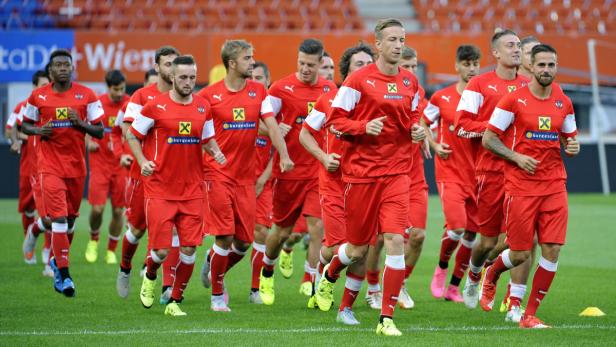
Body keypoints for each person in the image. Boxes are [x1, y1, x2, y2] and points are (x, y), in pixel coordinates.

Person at [315, 18, 426, 336]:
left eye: (402, 39)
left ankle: (386, 318)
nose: (398, 44)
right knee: (358, 249)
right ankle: (331, 272)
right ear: (378, 44)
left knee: (394, 239)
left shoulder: (410, 82)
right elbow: (335, 121)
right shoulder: (358, 81)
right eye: (392, 39)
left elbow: (414, 113)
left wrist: (417, 128)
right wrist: (363, 127)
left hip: (397, 174)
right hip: (361, 176)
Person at [480, 44, 579, 328]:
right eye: (542, 65)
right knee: (521, 252)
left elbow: (569, 140)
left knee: (552, 249)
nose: (546, 70)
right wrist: (516, 157)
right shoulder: (513, 100)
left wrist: (572, 146)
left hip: (554, 184)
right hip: (521, 186)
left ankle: (529, 314)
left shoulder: (564, 102)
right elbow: (489, 138)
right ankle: (493, 273)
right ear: (530, 67)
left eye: (551, 65)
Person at [197, 40, 292, 312]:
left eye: (252, 57)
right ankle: (217, 296)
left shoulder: (258, 91)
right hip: (216, 174)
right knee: (225, 237)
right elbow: (198, 135)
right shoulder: (209, 96)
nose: (252, 62)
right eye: (247, 58)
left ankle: (213, 263)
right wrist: (211, 152)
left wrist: (283, 154)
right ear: (232, 63)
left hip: (244, 178)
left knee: (244, 241)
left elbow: (271, 125)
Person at [128, 55, 226, 316]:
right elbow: (132, 134)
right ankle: (150, 273)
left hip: (192, 189)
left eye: (192, 77)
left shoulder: (204, 107)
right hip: (160, 189)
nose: (188, 82)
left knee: (189, 248)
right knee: (160, 251)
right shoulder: (154, 107)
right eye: (183, 77)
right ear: (172, 77)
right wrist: (142, 161)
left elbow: (208, 140)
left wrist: (216, 152)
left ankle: (175, 300)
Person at [455, 30, 531, 323]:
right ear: (496, 53)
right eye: (511, 45)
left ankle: (510, 296)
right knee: (486, 242)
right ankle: (474, 274)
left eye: (519, 45)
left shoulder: (529, 85)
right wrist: (497, 124)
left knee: (519, 240)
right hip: (489, 172)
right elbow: (461, 126)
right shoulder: (479, 83)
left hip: (522, 173)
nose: (517, 49)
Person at [299, 43, 375, 324]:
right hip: (334, 183)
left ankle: (346, 308)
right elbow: (305, 134)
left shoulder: (378, 101)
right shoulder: (329, 101)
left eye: (369, 63)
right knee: (337, 247)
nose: (366, 68)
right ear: (346, 71)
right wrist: (322, 156)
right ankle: (322, 271)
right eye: (359, 64)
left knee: (363, 247)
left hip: (367, 184)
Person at [258, 38, 336, 306]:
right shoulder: (281, 89)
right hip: (288, 171)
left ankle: (313, 284)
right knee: (281, 231)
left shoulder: (329, 89)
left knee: (317, 228)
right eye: (301, 63)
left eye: (310, 65)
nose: (305, 68)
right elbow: (259, 122)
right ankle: (267, 271)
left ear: (320, 64)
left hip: (318, 171)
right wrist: (273, 131)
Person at [22, 49, 105, 297]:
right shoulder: (38, 96)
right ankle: (64, 276)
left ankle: (48, 245)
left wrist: (79, 123)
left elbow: (100, 131)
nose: (62, 68)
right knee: (58, 219)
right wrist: (38, 132)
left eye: (66, 65)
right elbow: (24, 124)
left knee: (68, 222)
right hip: (49, 167)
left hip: (77, 168)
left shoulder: (86, 95)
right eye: (57, 65)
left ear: (72, 68)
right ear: (51, 70)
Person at [116, 46, 180, 300]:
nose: (172, 69)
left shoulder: (185, 97)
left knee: (172, 231)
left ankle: (167, 287)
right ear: (157, 67)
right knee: (137, 229)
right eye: (167, 64)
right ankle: (125, 267)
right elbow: (127, 129)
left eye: (176, 64)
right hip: (144, 174)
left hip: (175, 178)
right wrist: (143, 157)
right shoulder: (142, 97)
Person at [422, 45, 482, 302]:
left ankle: (454, 287)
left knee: (471, 235)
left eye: (475, 64)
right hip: (450, 173)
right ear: (457, 66)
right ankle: (441, 268)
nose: (471, 69)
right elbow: (423, 123)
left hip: (479, 176)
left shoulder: (486, 99)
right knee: (457, 228)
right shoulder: (441, 97)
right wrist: (435, 145)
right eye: (466, 64)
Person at [85, 70, 130, 264]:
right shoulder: (98, 103)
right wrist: (88, 141)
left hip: (121, 164)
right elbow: (85, 126)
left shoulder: (130, 104)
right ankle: (93, 240)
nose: (119, 93)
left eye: (122, 88)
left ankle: (111, 249)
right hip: (100, 163)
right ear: (108, 87)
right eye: (115, 89)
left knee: (119, 211)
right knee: (97, 209)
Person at [398, 45, 429, 309]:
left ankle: (400, 283)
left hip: (415, 177)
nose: (410, 71)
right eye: (406, 66)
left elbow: (424, 122)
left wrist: (427, 138)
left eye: (414, 66)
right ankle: (375, 286)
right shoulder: (386, 91)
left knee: (417, 236)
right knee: (382, 239)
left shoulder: (419, 92)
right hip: (389, 175)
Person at [12, 70, 50, 266]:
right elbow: (13, 128)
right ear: (34, 86)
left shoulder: (54, 104)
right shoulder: (26, 106)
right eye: (42, 84)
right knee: (28, 209)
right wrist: (18, 140)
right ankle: (31, 245)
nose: (45, 87)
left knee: (51, 213)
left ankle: (48, 252)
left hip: (51, 167)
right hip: (30, 165)